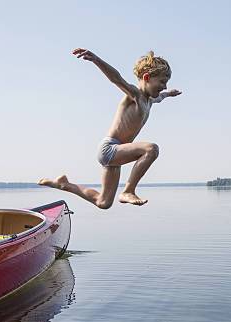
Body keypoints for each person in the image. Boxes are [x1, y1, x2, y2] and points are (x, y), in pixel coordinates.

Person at [39, 49, 182, 208]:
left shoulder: (150, 100)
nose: (164, 86)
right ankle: (128, 190)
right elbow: (117, 79)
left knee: (103, 202)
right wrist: (96, 60)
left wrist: (170, 93)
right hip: (110, 148)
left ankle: (64, 184)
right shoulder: (135, 95)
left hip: (117, 154)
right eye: (162, 82)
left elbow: (161, 97)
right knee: (151, 149)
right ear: (147, 78)